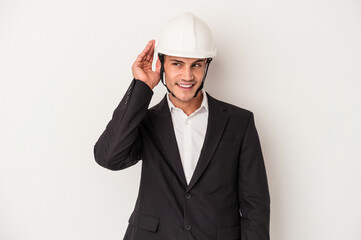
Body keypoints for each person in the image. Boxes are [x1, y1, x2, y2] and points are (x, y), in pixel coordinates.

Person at [94, 12, 270, 240]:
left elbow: (255, 206)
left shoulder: (239, 122)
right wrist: (141, 87)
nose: (187, 75)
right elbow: (108, 157)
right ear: (162, 64)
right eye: (177, 64)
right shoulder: (146, 122)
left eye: (196, 65)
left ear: (206, 65)